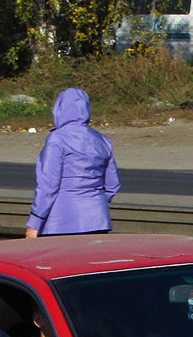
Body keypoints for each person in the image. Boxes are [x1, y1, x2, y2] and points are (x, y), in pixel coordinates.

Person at [25, 88, 121, 238]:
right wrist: (96, 203)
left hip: (61, 221)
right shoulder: (103, 141)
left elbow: (48, 185)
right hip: (98, 220)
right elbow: (112, 184)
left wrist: (35, 222)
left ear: (59, 109)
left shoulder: (57, 139)